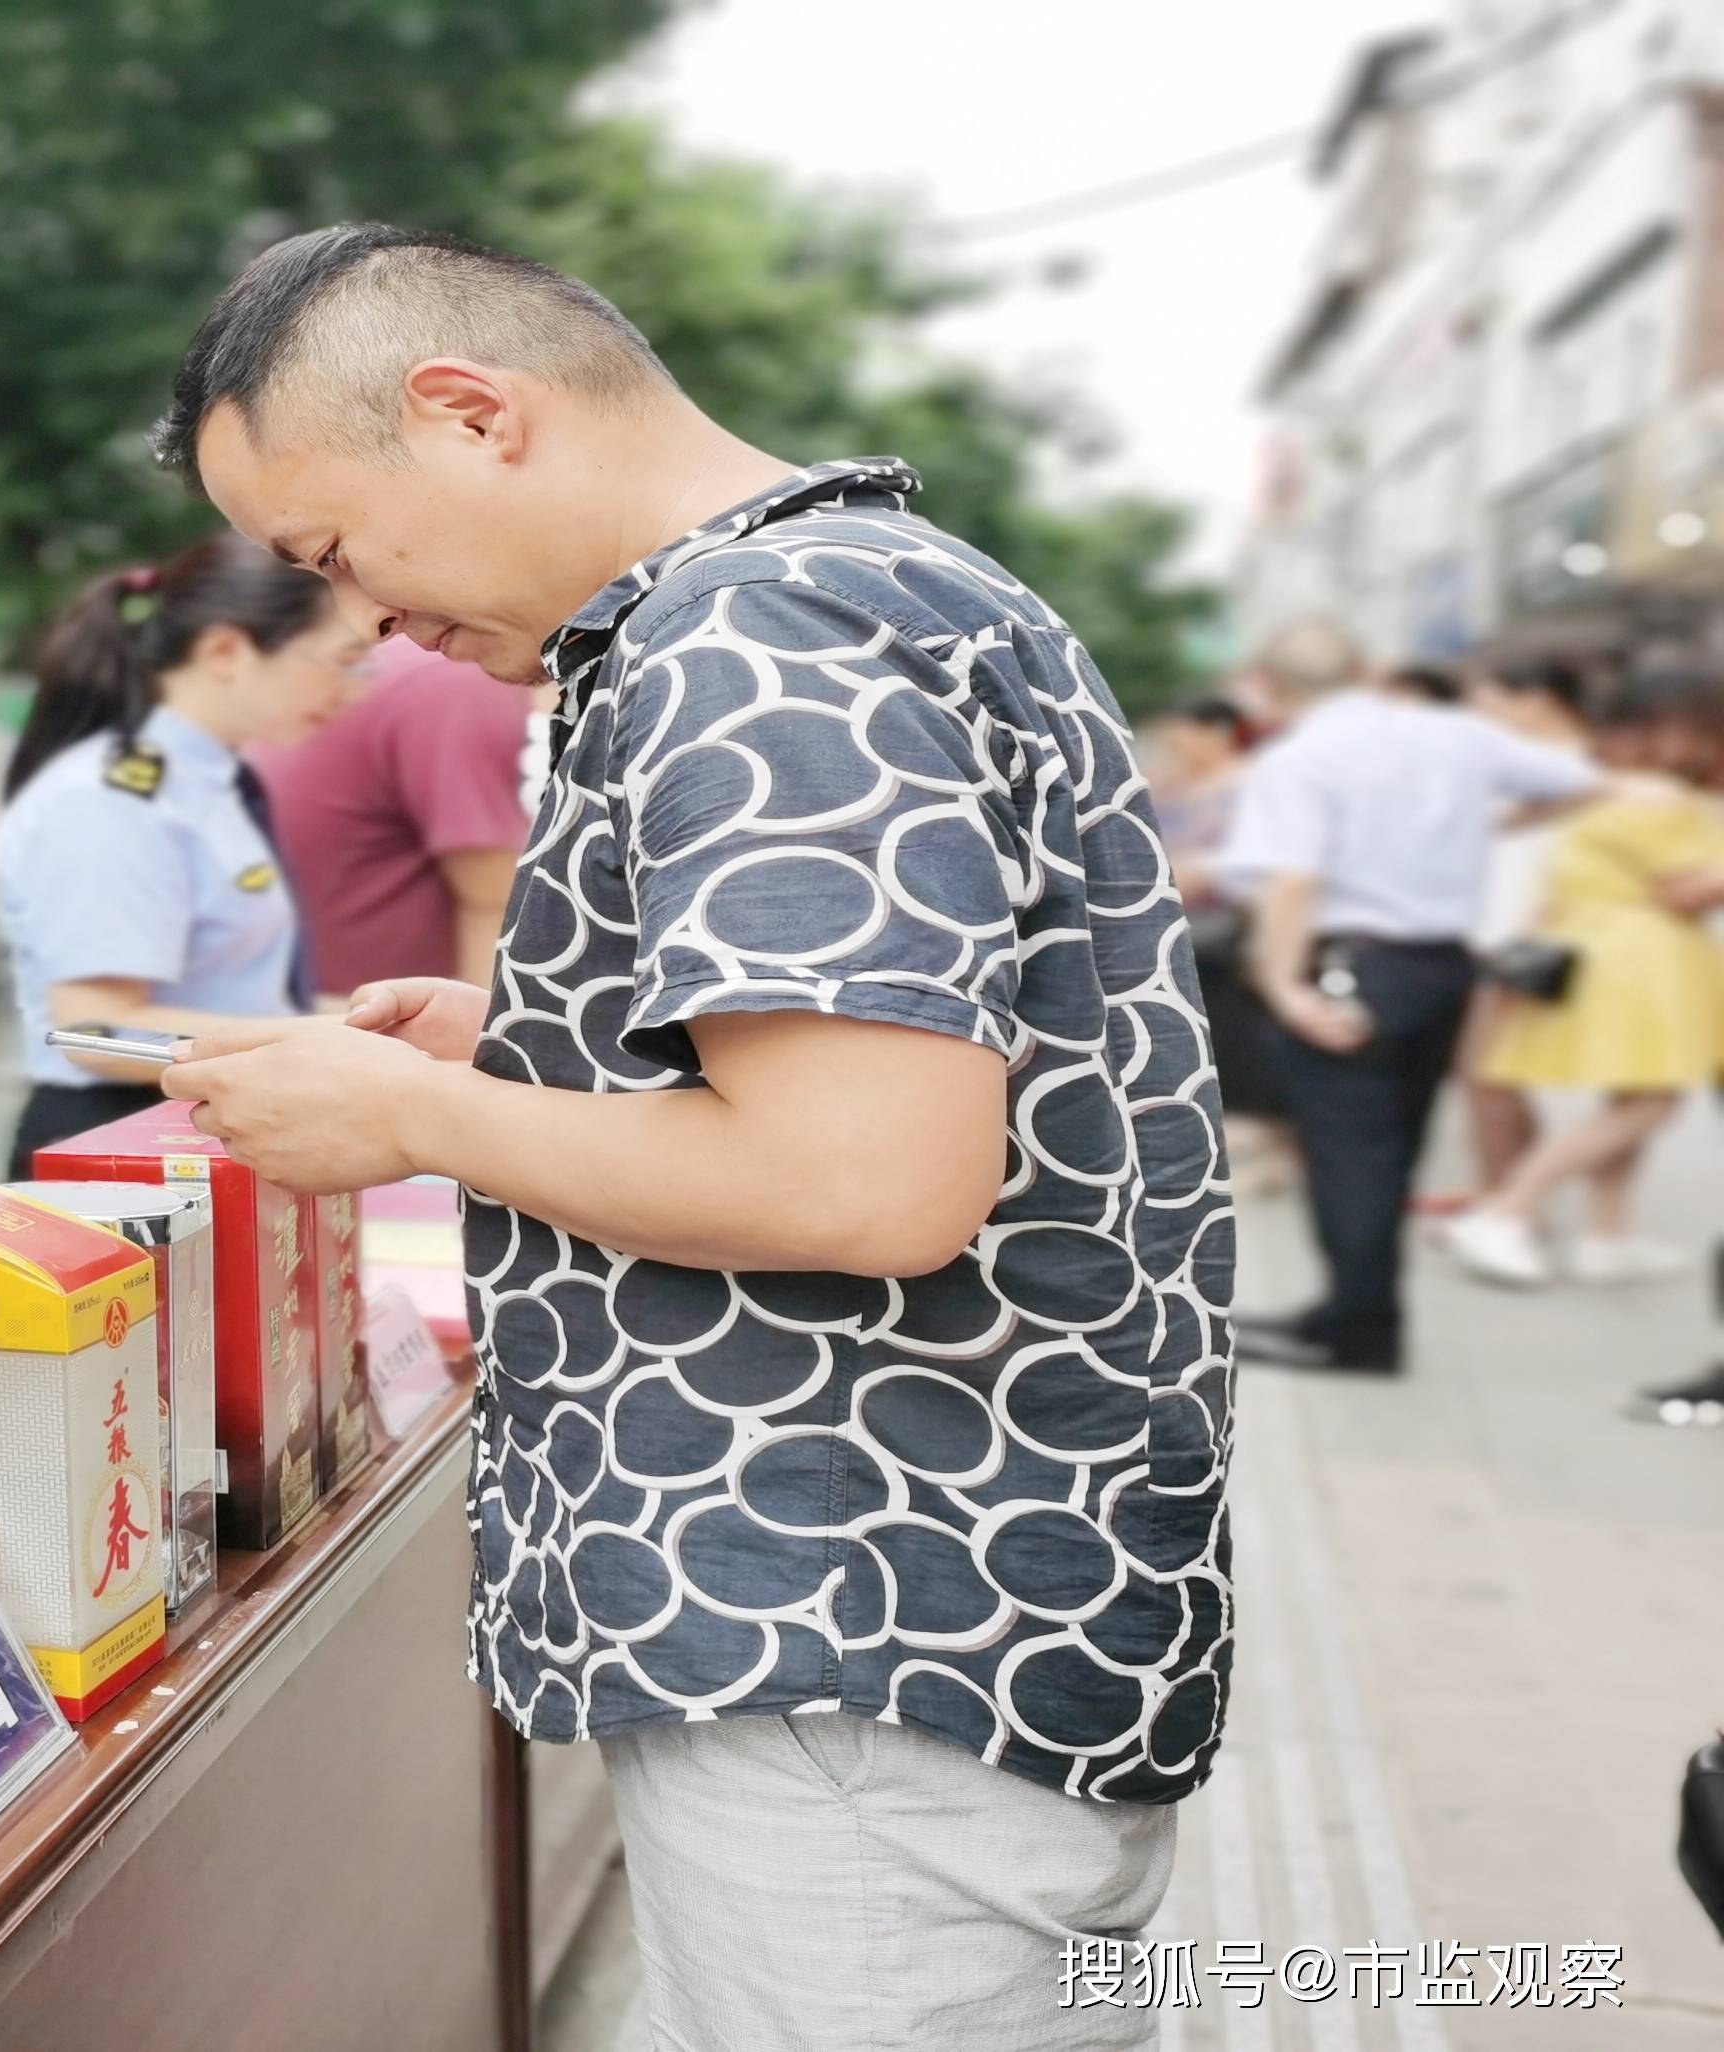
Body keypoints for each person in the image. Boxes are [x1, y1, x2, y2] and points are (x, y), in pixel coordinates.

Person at [145, 223, 1229, 2051]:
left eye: (336, 550)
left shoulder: (756, 637)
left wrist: (418, 1112)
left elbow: (859, 1185)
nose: (369, 618)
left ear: (470, 412)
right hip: (916, 1604)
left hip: (858, 1615)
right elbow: (894, 1070)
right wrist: (522, 1046)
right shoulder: (850, 590)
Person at [1217, 622, 1598, 1369]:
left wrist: (1284, 987)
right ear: (1367, 668)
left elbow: (1293, 880)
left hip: (1351, 961)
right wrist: (1491, 826)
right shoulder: (1455, 735)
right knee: (1393, 1151)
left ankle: (1358, 1329)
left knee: (1350, 1153)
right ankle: (1354, 1312)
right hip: (1441, 966)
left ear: (1266, 686)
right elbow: (1580, 781)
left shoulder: (1299, 758)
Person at [0, 533, 372, 1174]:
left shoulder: (214, 784)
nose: (352, 690)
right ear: (226, 651)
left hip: (200, 1120)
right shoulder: (110, 800)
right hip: (116, 1141)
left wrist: (376, 1024)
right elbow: (97, 1031)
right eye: (342, 660)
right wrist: (321, 1041)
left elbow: (243, 997)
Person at [1437, 671, 1724, 1287]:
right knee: (1651, 1102)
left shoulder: (1610, 788)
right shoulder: (1659, 799)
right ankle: (1508, 1209)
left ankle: (1608, 1233)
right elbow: (1689, 890)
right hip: (1639, 960)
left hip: (1614, 952)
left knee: (1633, 1094)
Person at [247, 635, 534, 992]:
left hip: (290, 996)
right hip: (370, 1014)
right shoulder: (456, 674)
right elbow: (494, 905)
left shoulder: (370, 660)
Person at [1440, 658, 1597, 1206]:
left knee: (1485, 1072)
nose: (1477, 718)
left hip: (1527, 939)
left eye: (1488, 704)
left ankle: (1506, 1200)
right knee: (1489, 1074)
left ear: (1537, 700)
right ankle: (1504, 1194)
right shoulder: (1514, 763)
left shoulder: (1585, 766)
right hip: (1489, 935)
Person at [1145, 692, 1296, 1197]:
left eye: (1182, 736)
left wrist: (1199, 872)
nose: (1175, 747)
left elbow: (1263, 862)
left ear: (1217, 731)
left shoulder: (1251, 783)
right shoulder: (1176, 784)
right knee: (1215, 1045)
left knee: (1250, 1045)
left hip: (1234, 931)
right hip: (1186, 932)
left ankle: (1279, 1151)